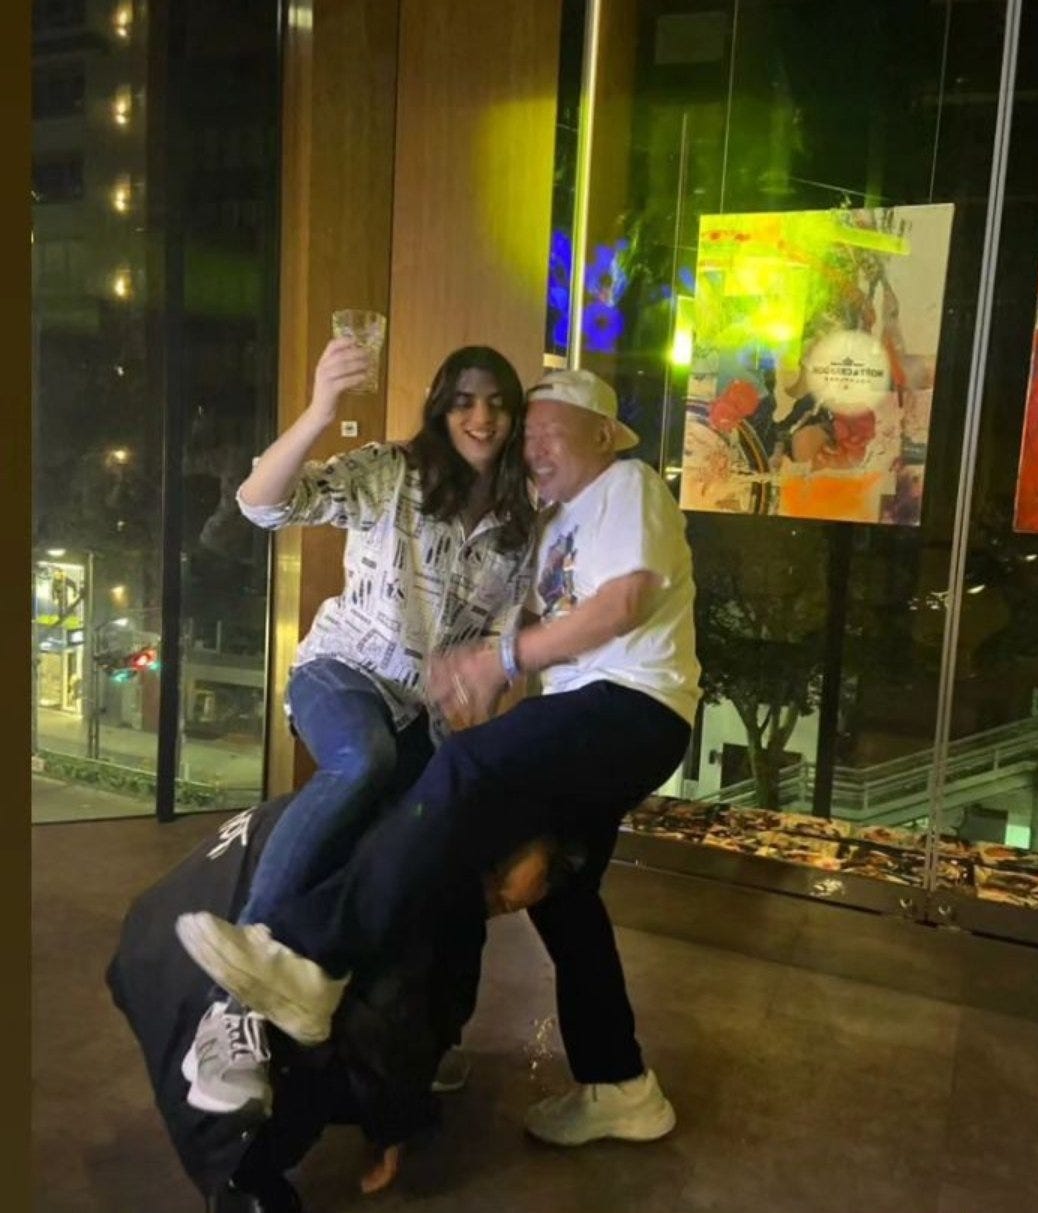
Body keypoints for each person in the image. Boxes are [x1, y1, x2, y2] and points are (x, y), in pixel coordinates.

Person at [176, 367, 702, 1148]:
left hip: (632, 704)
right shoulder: (534, 517)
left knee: (462, 771)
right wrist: (482, 682)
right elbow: (266, 502)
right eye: (526, 434)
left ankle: (308, 956)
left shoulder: (626, 486)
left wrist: (500, 662)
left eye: (546, 431)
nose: (528, 445)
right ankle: (619, 1083)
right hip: (569, 709)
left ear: (603, 434)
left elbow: (621, 603)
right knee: (558, 894)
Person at [184, 339, 536, 1119]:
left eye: (496, 402)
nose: (480, 417)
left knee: (432, 855)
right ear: (440, 408)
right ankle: (229, 1012)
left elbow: (501, 650)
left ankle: (410, 1040)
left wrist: (477, 717)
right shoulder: (391, 471)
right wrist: (320, 408)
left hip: (426, 716)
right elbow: (261, 502)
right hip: (341, 675)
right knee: (363, 758)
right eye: (463, 401)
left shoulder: (518, 525)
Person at [108, 795, 568, 1212]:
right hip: (190, 965)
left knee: (320, 1000)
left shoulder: (414, 811)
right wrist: (393, 1126)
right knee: (286, 1052)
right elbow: (389, 1012)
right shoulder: (416, 875)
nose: (501, 908)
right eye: (499, 896)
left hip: (166, 923)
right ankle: (241, 1176)